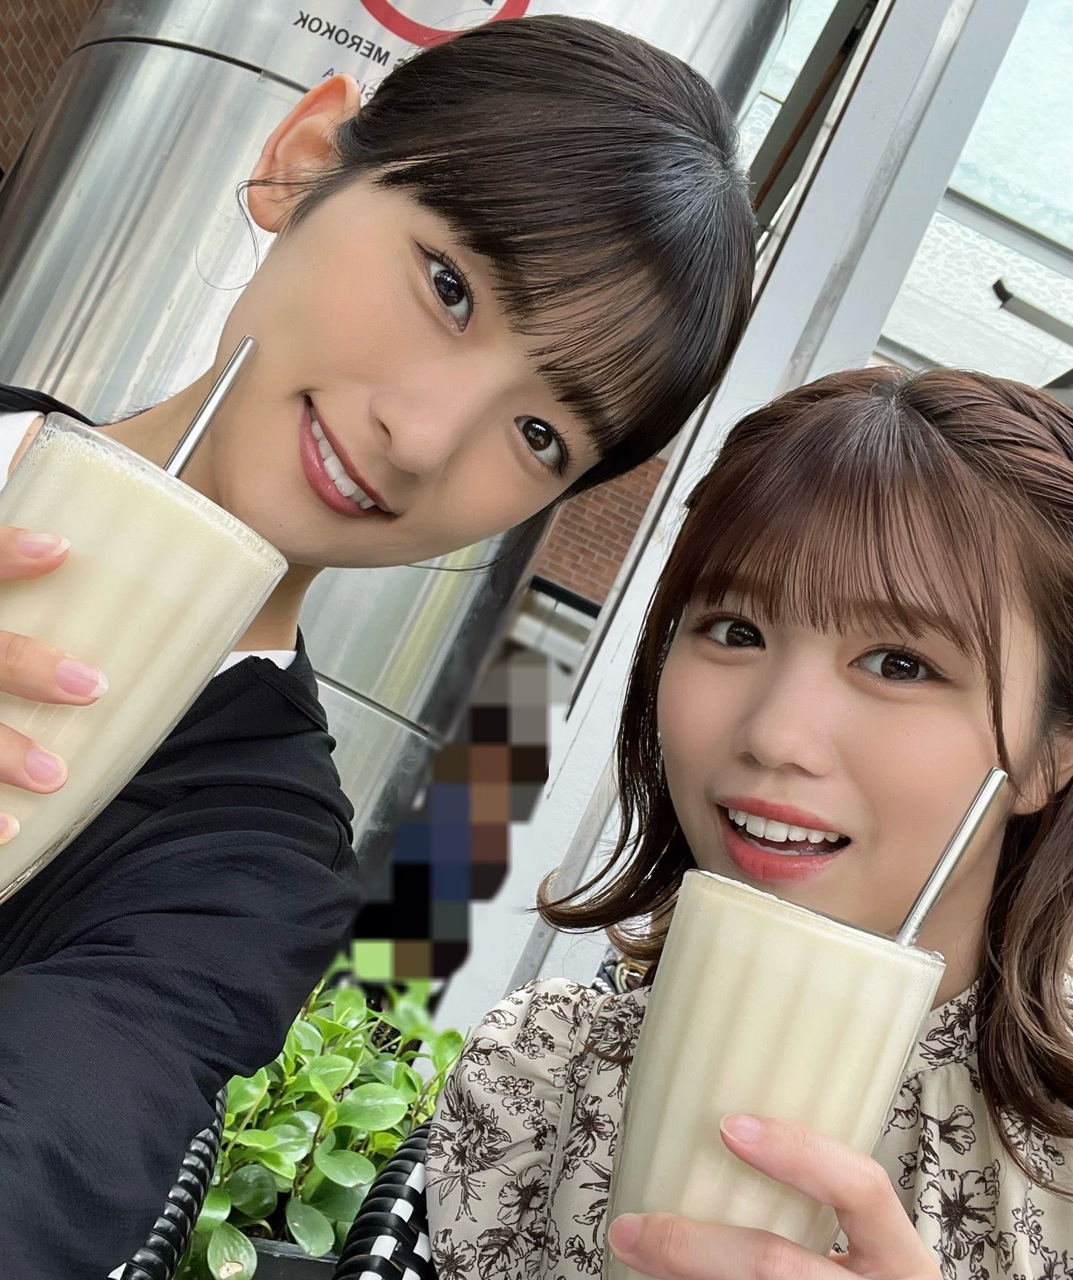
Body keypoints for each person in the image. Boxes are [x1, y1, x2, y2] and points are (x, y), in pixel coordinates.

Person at [0, 15, 755, 1277]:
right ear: (302, 158)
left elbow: (44, 1166)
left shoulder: (251, 861)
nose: (423, 435)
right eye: (449, 286)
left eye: (540, 436)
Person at [425, 367, 1073, 1280]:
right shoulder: (539, 1077)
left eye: (897, 662)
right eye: (734, 631)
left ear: (1049, 753)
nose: (774, 734)